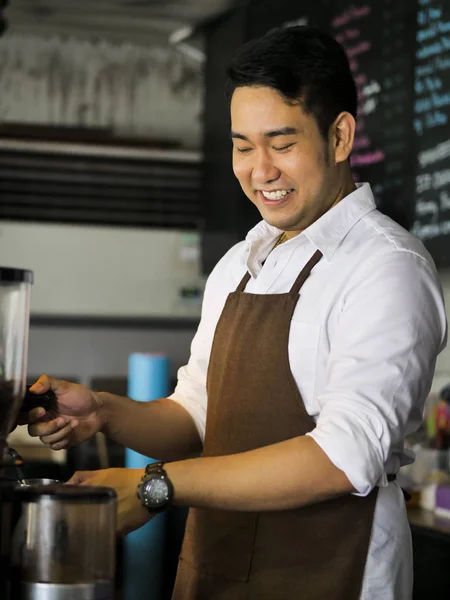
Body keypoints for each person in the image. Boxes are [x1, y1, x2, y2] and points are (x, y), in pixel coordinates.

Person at [25, 26, 446, 600]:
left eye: (282, 142)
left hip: (331, 570)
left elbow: (344, 458)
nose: (260, 169)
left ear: (341, 136)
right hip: (217, 562)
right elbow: (198, 419)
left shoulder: (385, 267)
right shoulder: (240, 264)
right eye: (243, 146)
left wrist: (155, 486)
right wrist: (103, 411)